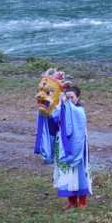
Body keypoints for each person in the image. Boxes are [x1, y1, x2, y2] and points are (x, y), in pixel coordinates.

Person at [34, 70, 92, 209]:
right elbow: (53, 123)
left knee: (79, 171)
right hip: (62, 145)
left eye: (72, 97)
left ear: (77, 98)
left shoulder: (79, 111)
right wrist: (46, 115)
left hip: (77, 145)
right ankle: (71, 201)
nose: (69, 100)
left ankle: (82, 201)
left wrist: (67, 105)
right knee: (65, 172)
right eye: (66, 97)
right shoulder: (61, 110)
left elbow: (77, 118)